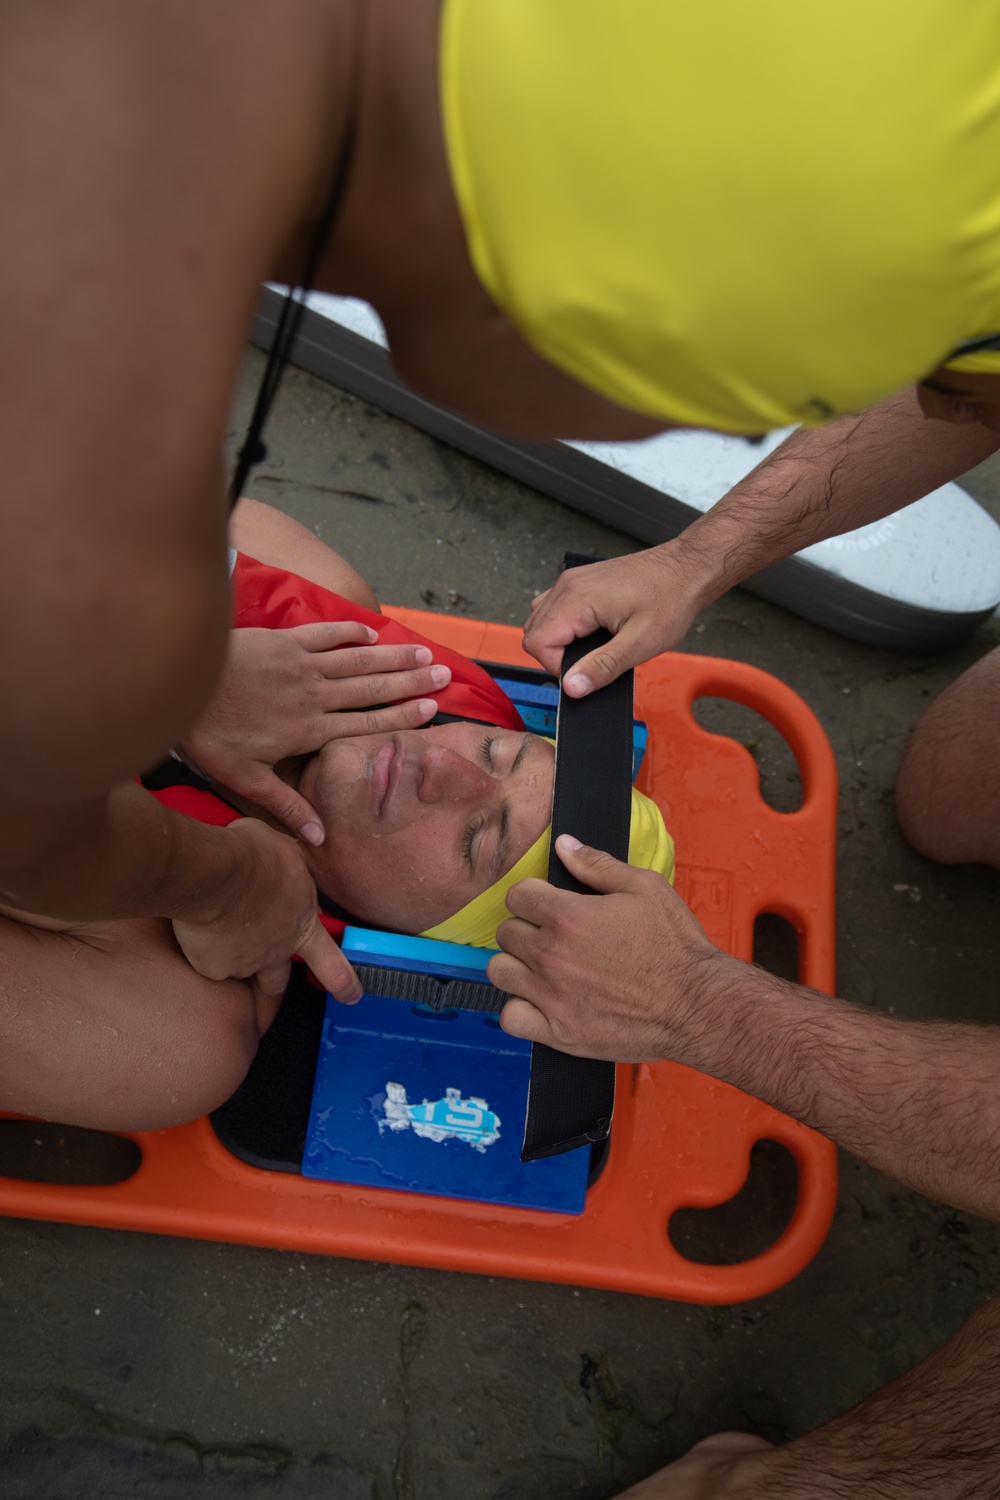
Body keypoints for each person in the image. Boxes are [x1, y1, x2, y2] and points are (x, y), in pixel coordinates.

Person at [6, 0, 1000, 1019]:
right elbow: (31, 815)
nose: (446, 768)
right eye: (751, 417)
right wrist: (207, 844)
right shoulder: (88, 425)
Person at [0, 501, 672, 1133]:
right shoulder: (319, 597)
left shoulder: (164, 1029)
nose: (445, 768)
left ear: (412, 941)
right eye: (498, 750)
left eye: (476, 843)